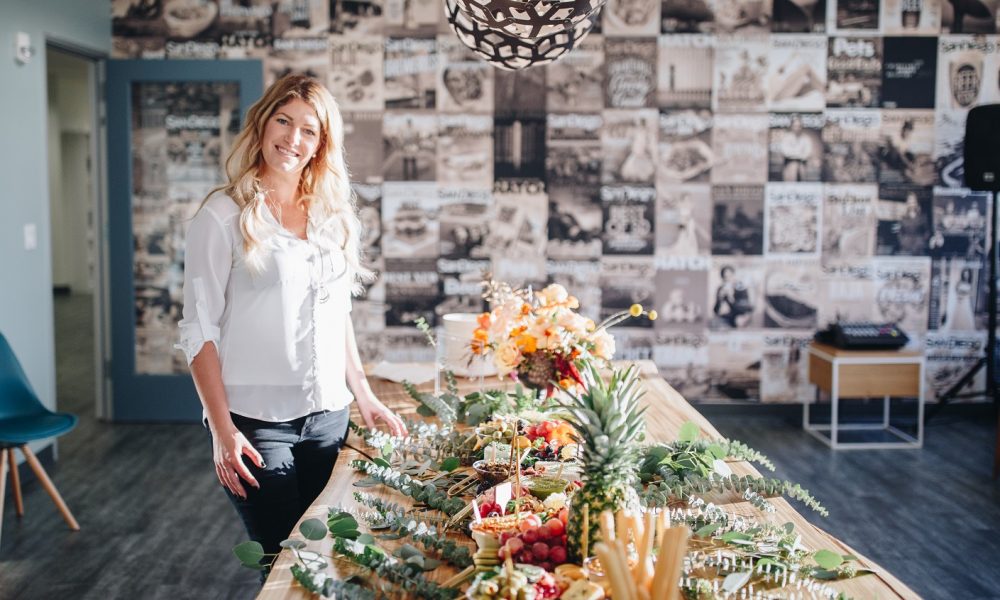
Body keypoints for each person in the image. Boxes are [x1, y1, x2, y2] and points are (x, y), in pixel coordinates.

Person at [175, 75, 407, 576]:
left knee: (330, 557)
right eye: (283, 121)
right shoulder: (222, 215)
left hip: (329, 417)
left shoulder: (332, 214)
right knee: (285, 562)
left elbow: (337, 312)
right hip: (255, 425)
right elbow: (198, 331)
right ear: (262, 124)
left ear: (322, 144)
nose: (292, 138)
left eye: (309, 130)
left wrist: (363, 393)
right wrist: (222, 430)